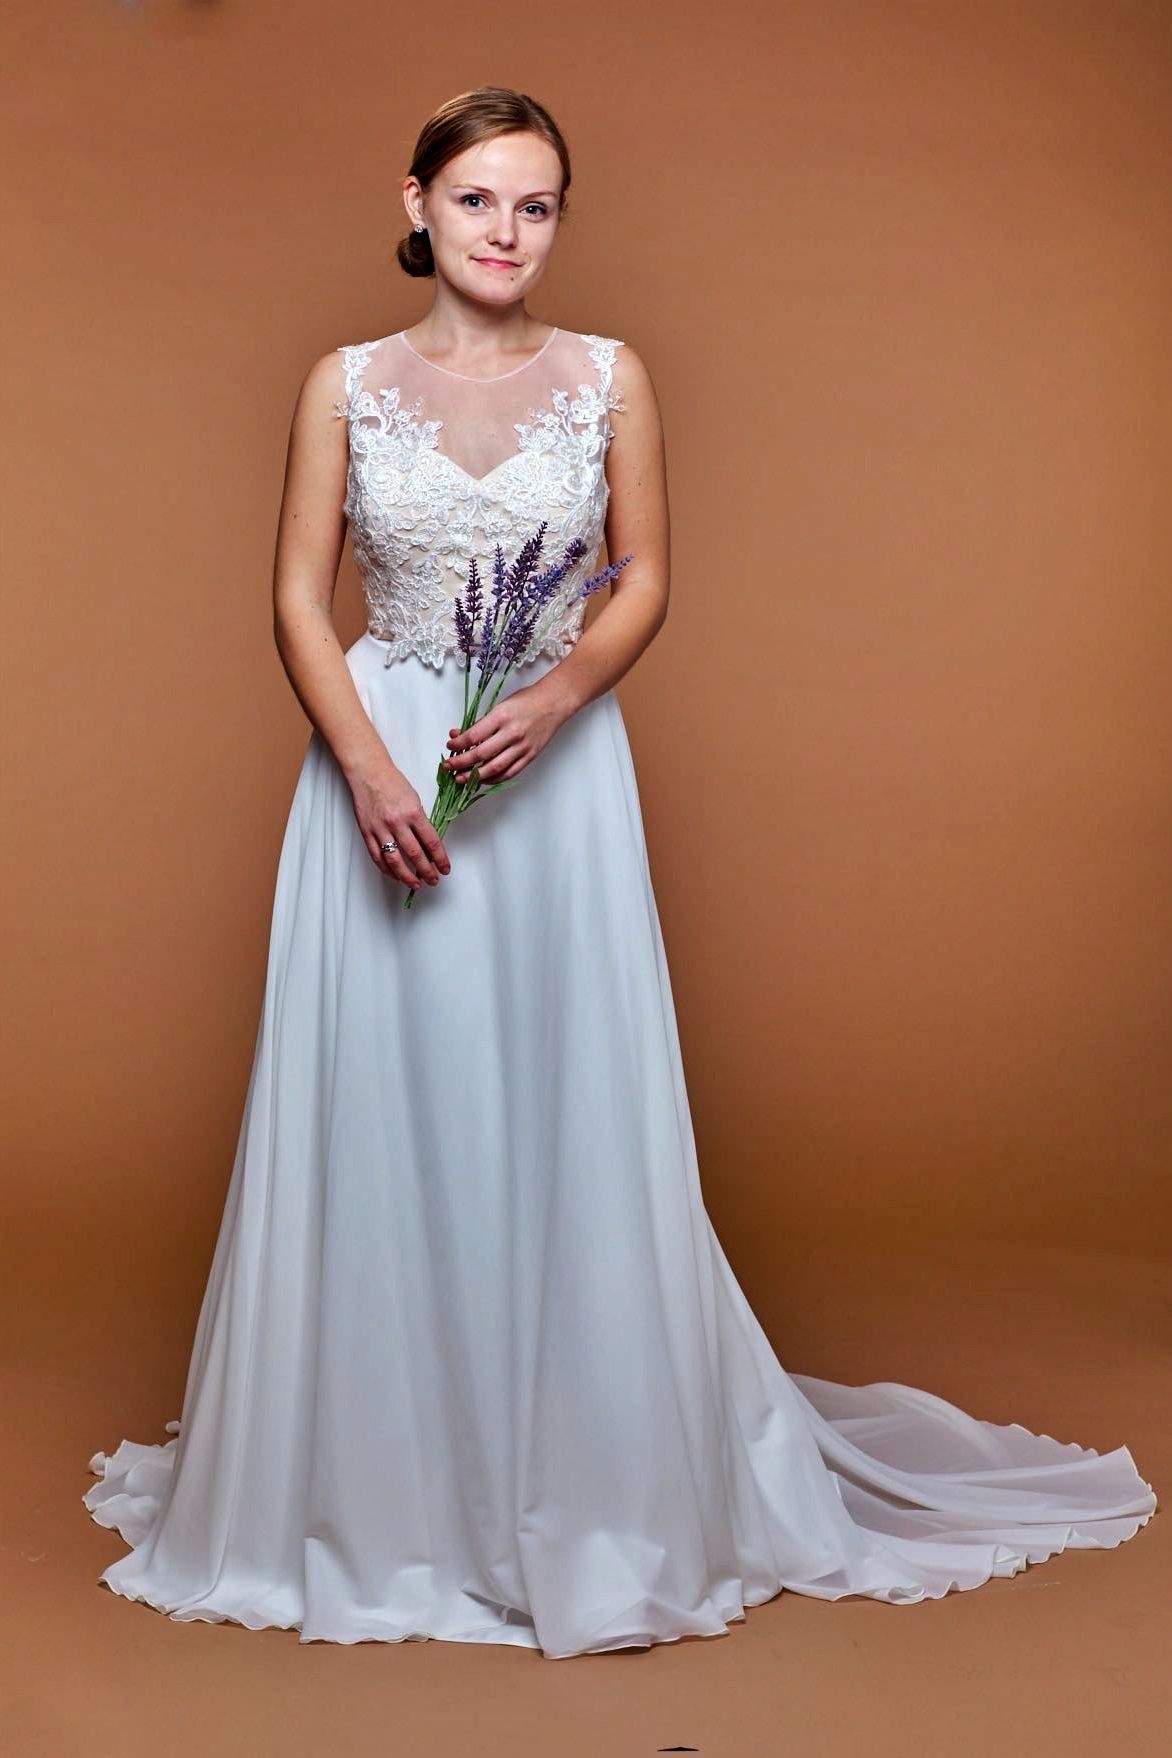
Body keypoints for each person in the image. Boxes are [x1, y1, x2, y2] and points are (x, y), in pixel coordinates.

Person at [82, 85, 1157, 1659]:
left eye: (535, 206)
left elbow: (646, 571)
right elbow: (297, 603)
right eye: (477, 203)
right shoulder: (342, 384)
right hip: (386, 768)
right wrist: (373, 769)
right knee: (390, 1110)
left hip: (552, 772)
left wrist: (563, 694)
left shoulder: (610, 377)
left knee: (558, 1104)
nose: (506, 232)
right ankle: (390, 1492)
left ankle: (584, 1477)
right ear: (419, 205)